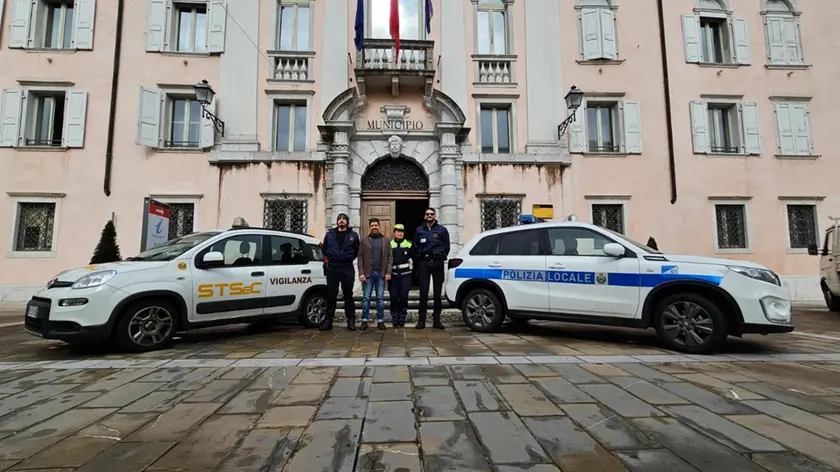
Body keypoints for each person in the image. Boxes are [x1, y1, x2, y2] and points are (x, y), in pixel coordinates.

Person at [321, 213, 360, 331]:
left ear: (347, 222)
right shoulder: (329, 235)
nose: (341, 221)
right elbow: (325, 249)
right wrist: (332, 257)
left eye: (344, 219)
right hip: (333, 268)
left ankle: (351, 320)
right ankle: (328, 321)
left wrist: (346, 258)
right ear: (337, 221)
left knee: (348, 294)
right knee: (331, 294)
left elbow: (356, 251)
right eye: (339, 219)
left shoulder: (353, 235)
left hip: (347, 268)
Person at [413, 207, 449, 330]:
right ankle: (421, 320)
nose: (429, 216)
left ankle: (436, 320)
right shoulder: (419, 230)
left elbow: (447, 247)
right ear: (424, 216)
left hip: (437, 263)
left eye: (431, 214)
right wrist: (420, 260)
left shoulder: (442, 230)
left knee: (437, 293)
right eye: (427, 214)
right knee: (423, 292)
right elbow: (415, 247)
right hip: (424, 264)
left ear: (435, 216)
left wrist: (440, 256)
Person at [357, 218, 392, 330]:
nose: (374, 227)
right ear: (369, 227)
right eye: (372, 225)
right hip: (368, 274)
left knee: (380, 298)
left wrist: (388, 272)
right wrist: (361, 273)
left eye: (376, 225)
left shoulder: (386, 240)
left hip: (381, 274)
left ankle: (380, 321)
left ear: (379, 226)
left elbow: (390, 257)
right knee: (366, 298)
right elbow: (360, 257)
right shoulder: (364, 240)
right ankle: (364, 321)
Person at [389, 223, 414, 328]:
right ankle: (395, 317)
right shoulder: (389, 244)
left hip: (405, 275)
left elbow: (414, 258)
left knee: (404, 297)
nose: (400, 233)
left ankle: (402, 317)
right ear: (394, 232)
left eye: (402, 231)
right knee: (394, 297)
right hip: (393, 275)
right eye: (398, 231)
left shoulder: (409, 244)